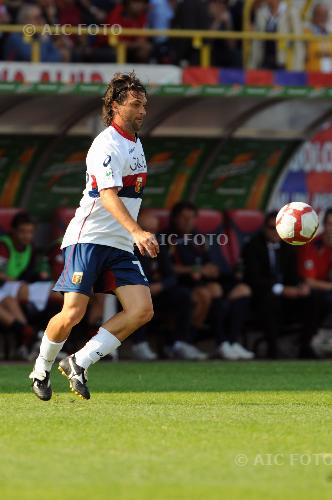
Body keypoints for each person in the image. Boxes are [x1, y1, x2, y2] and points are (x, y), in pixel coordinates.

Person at [29, 71, 159, 401]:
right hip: (89, 238)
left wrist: (131, 233)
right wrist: (137, 230)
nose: (142, 111)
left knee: (142, 310)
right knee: (73, 313)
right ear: (115, 106)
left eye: (144, 104)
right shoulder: (106, 144)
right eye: (135, 104)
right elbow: (108, 196)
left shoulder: (136, 142)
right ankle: (41, 367)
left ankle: (79, 361)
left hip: (118, 244)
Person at [168, 202, 253, 360]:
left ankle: (232, 342)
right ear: (174, 219)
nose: (188, 222)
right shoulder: (166, 238)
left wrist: (211, 269)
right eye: (184, 218)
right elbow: (166, 267)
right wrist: (195, 270)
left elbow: (208, 263)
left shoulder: (198, 238)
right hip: (180, 284)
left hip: (204, 281)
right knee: (210, 292)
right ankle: (217, 342)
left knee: (242, 290)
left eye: (192, 218)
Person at [133, 210, 207, 360]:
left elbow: (171, 276)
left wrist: (161, 286)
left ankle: (179, 343)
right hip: (134, 292)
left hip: (158, 291)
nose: (150, 234)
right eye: (146, 230)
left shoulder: (159, 245)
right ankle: (139, 343)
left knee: (183, 295)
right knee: (137, 299)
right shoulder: (126, 247)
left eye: (154, 230)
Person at [242, 211, 316, 358]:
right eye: (272, 228)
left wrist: (301, 287)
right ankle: (273, 349)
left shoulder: (288, 248)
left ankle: (305, 346)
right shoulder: (253, 247)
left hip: (287, 297)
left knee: (313, 299)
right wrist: (281, 289)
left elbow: (293, 276)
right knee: (270, 299)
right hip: (262, 296)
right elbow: (254, 279)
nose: (276, 232)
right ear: (264, 228)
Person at [298, 207, 332, 328]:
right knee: (318, 297)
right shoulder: (311, 246)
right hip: (312, 289)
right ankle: (308, 340)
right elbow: (310, 282)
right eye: (330, 224)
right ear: (324, 225)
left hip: (327, 287)